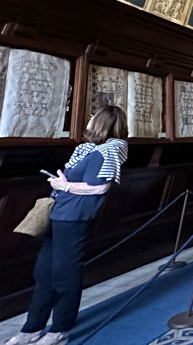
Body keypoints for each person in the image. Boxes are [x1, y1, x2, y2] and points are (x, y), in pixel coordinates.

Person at [6, 107, 128, 345]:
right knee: (44, 272)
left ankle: (60, 328)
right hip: (60, 212)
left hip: (76, 217)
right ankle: (32, 328)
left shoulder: (109, 149)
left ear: (104, 122)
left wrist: (66, 187)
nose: (90, 118)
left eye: (94, 116)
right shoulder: (88, 149)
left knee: (65, 275)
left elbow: (100, 187)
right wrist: (62, 183)